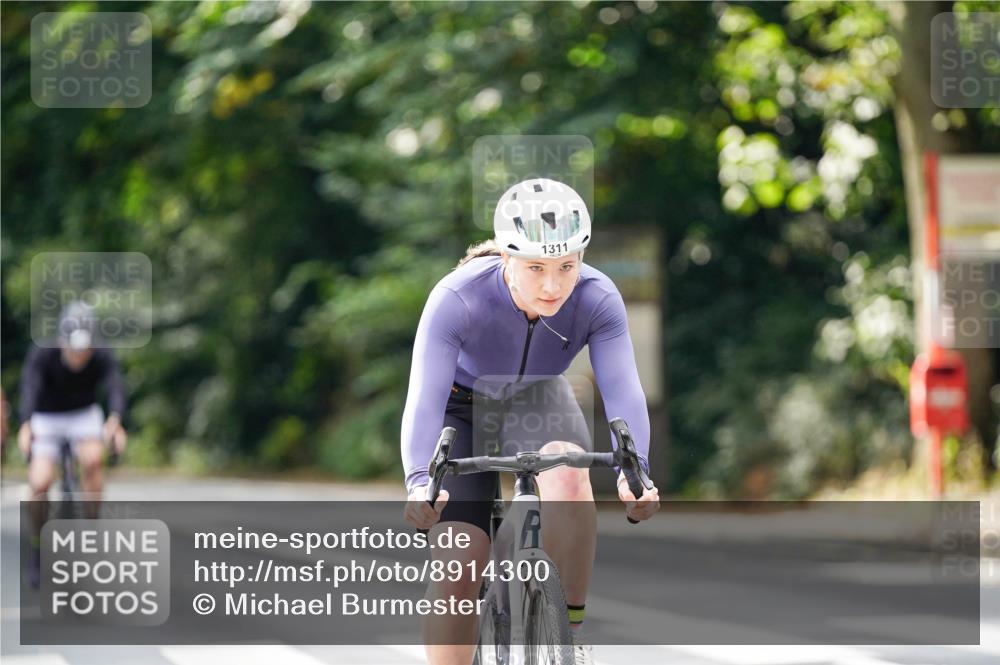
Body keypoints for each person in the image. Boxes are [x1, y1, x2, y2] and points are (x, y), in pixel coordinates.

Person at [402, 178, 660, 665]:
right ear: (506, 258)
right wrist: (420, 481)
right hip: (460, 406)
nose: (552, 284)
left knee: (567, 473)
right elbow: (424, 398)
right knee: (460, 561)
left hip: (538, 398)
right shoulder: (457, 297)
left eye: (567, 266)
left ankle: (570, 634)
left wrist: (635, 471)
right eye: (535, 267)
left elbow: (623, 388)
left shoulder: (598, 298)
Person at [18, 301, 128, 587]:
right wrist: (26, 424)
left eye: (85, 351)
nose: (79, 357)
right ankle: (38, 545)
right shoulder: (43, 353)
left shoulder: (101, 353)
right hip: (47, 415)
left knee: (93, 460)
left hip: (83, 413)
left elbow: (115, 384)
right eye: (74, 350)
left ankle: (92, 533)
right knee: (40, 483)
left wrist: (115, 421)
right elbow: (30, 387)